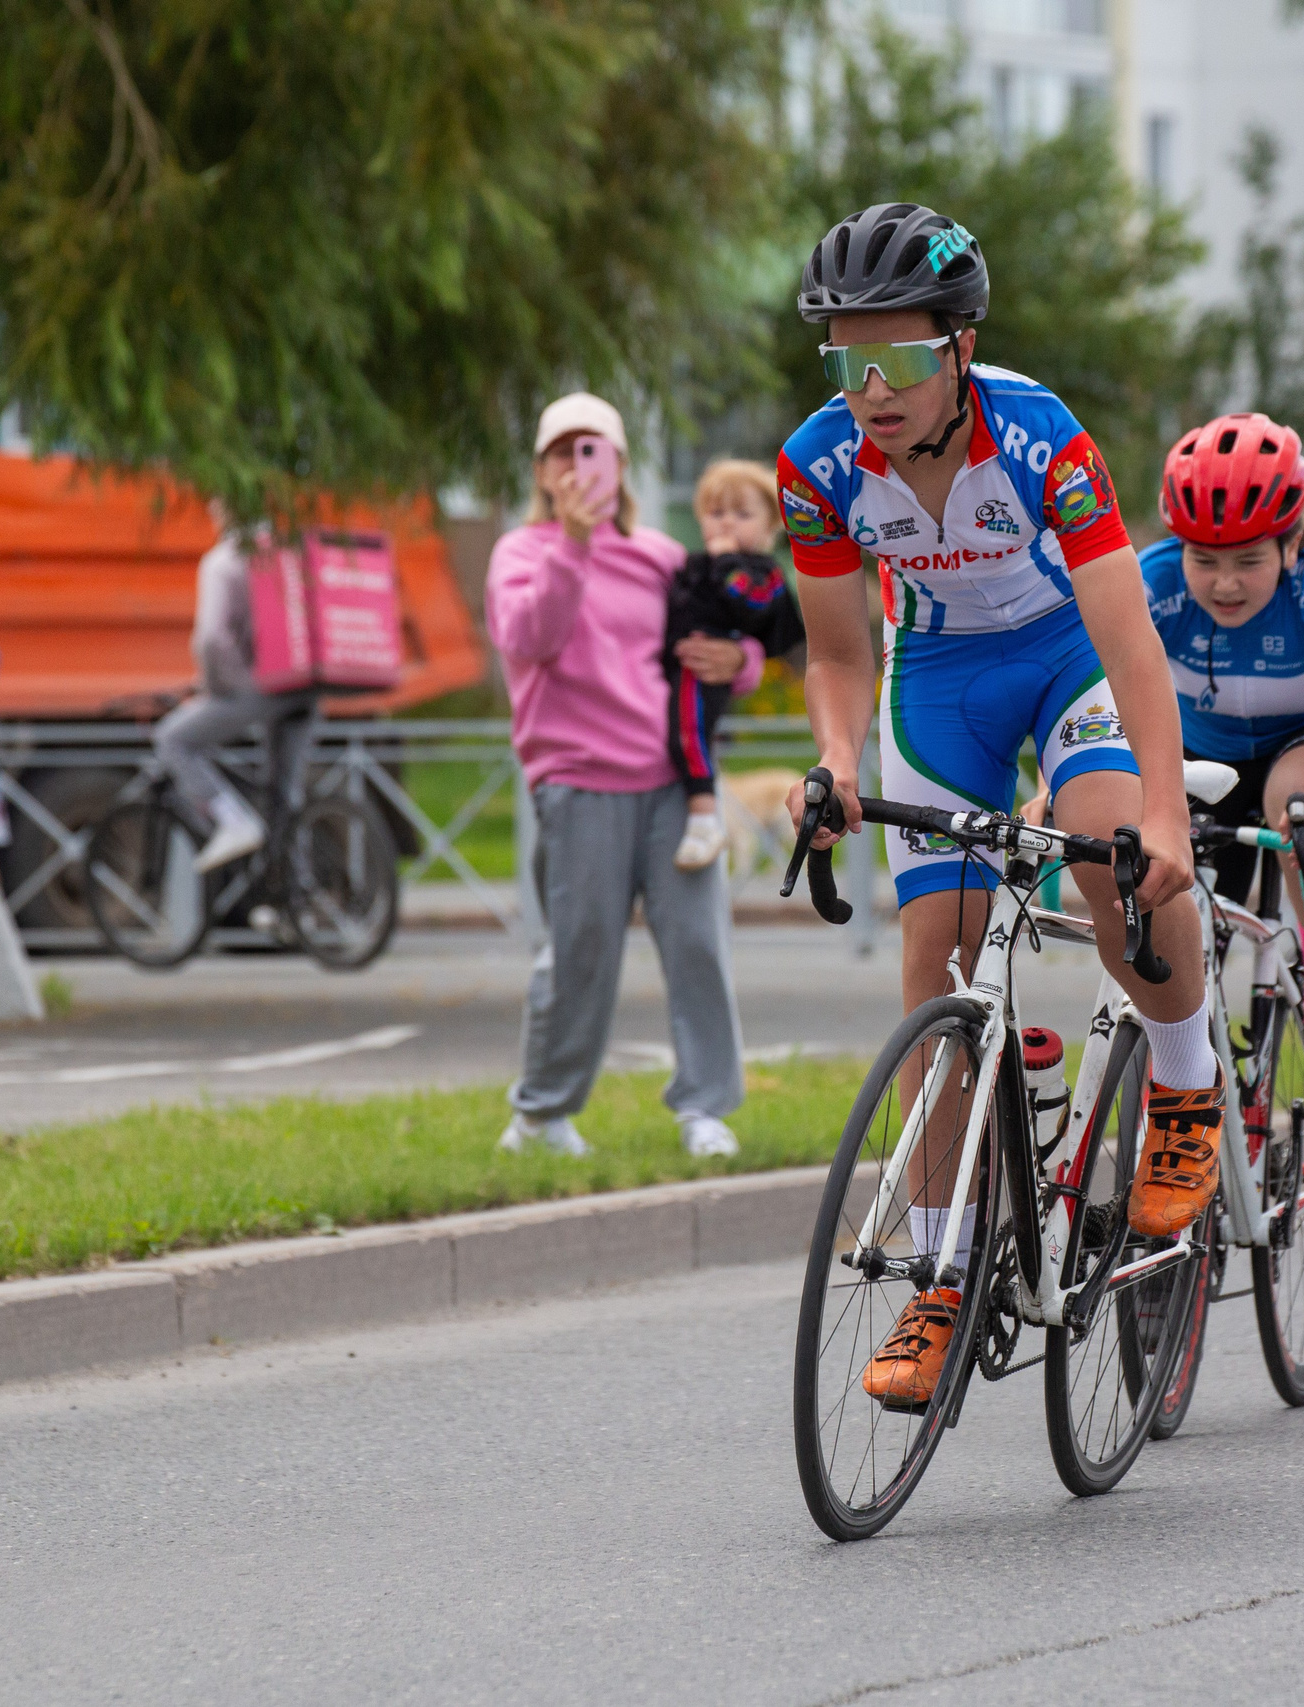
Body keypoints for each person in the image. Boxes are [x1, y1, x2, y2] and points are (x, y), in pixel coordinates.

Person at [779, 203, 1218, 1407]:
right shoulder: (816, 466)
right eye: (846, 361)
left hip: (1066, 660)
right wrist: (835, 761)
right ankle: (941, 1278)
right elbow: (834, 651)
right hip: (939, 686)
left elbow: (1132, 648)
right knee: (934, 971)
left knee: (1105, 863)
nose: (873, 389)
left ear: (959, 347)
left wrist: (1167, 819)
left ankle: (1184, 1081)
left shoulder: (1041, 439)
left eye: (901, 360)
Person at [487, 393, 763, 1160]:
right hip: (577, 781)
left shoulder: (661, 556)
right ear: (542, 471)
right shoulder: (520, 553)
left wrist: (741, 660)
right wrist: (571, 547)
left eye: (593, 450)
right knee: (581, 951)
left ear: (618, 466)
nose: (577, 466)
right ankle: (540, 1115)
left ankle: (706, 1108)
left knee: (699, 944)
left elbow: (727, 656)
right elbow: (530, 637)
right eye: (562, 452)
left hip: (676, 784)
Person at [1140, 413, 1304, 1128]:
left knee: (1298, 803)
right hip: (1207, 759)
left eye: (1248, 560)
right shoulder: (1152, 581)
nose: (1223, 584)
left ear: (1292, 541)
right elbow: (1091, 697)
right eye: (1203, 559)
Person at [155, 501, 320, 872]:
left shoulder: (223, 561)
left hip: (258, 689)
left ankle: (234, 821)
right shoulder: (286, 554)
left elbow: (211, 640)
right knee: (285, 793)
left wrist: (218, 689)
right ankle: (295, 896)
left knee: (173, 740)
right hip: (304, 686)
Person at [664, 459, 807, 870]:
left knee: (689, 737)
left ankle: (706, 816)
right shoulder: (694, 563)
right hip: (681, 665)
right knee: (690, 736)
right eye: (716, 513)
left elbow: (755, 607)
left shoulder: (759, 572)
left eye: (742, 514)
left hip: (702, 668)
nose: (727, 524)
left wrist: (727, 565)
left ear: (770, 528)